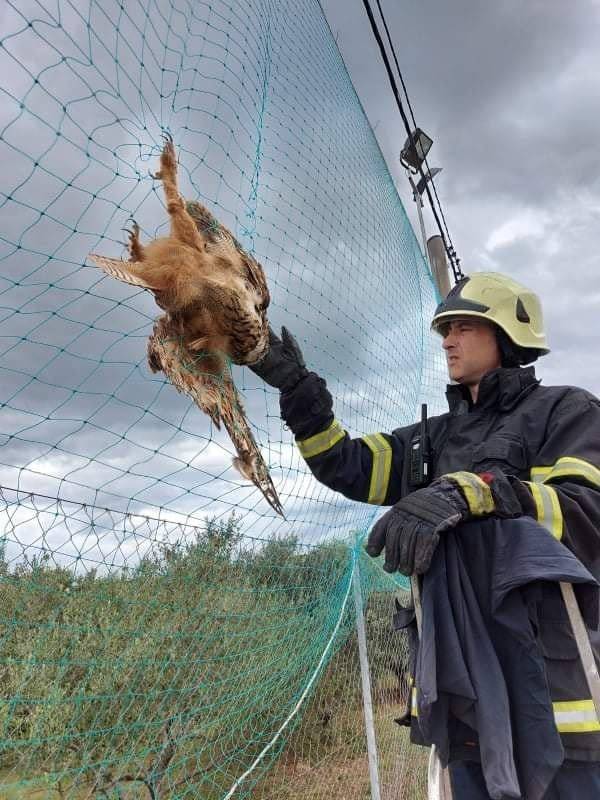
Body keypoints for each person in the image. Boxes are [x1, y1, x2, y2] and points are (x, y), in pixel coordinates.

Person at [249, 272, 600, 798]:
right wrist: (300, 396)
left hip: (553, 692)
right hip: (463, 692)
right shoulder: (437, 436)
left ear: (505, 335)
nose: (448, 341)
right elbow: (348, 466)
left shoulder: (566, 411)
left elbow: (584, 513)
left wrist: (473, 493)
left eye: (462, 327)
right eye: (444, 330)